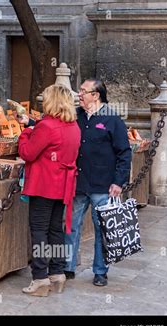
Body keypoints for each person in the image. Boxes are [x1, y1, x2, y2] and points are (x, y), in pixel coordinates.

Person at [64, 79, 131, 287]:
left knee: (102, 230)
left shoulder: (113, 119)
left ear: (96, 95)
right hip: (79, 183)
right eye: (80, 91)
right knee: (70, 226)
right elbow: (54, 126)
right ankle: (68, 267)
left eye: (83, 91)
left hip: (103, 185)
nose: (79, 94)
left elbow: (124, 153)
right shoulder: (76, 115)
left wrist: (119, 182)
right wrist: (30, 123)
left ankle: (100, 271)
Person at [17, 84, 81, 297]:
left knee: (39, 231)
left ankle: (40, 278)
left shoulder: (47, 126)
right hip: (63, 186)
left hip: (45, 185)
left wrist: (26, 132)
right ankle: (57, 273)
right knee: (56, 230)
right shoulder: (74, 126)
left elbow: (28, 153)